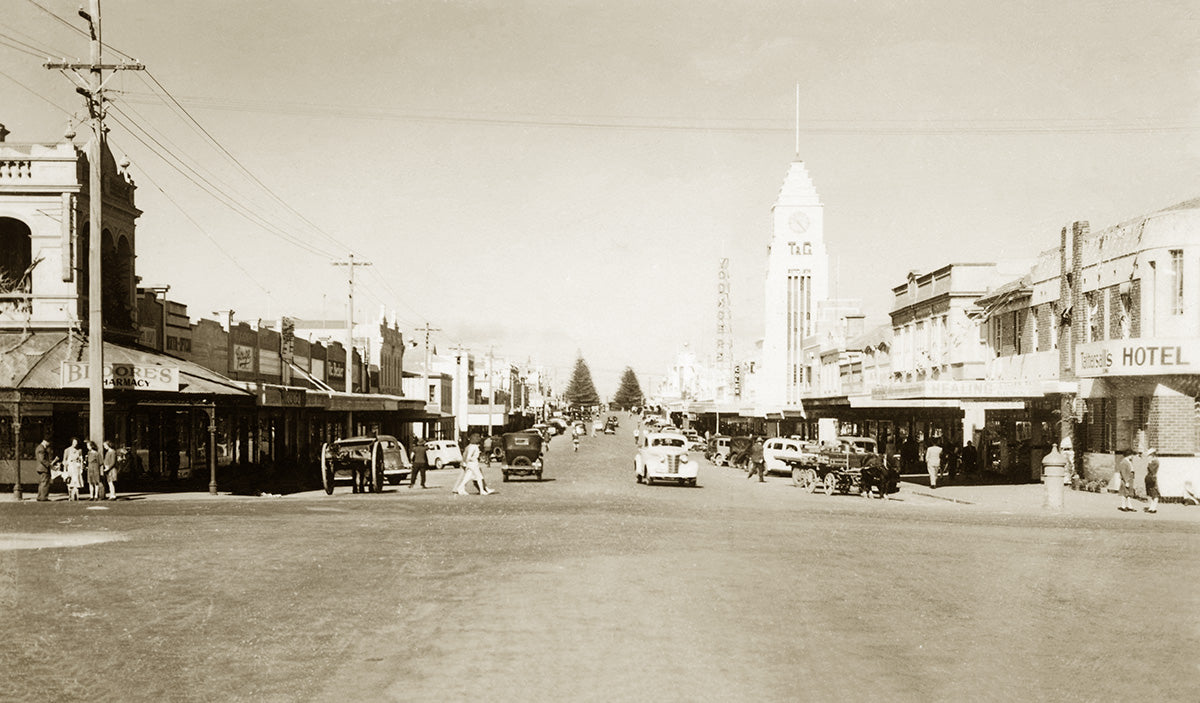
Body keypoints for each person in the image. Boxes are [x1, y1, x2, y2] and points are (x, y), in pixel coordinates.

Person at [63, 437, 84, 501]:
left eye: (76, 442)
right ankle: (70, 495)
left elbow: (81, 460)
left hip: (76, 467)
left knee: (76, 481)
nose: (75, 444)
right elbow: (64, 460)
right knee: (70, 481)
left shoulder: (79, 450)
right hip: (70, 467)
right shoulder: (67, 450)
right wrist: (65, 468)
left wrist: (81, 467)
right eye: (74, 442)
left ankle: (76, 496)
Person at [34, 437, 54, 501]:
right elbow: (42, 459)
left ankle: (40, 496)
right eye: (48, 443)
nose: (49, 444)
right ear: (45, 441)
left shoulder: (40, 447)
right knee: (45, 483)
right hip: (43, 468)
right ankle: (43, 497)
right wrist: (49, 465)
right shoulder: (41, 448)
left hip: (41, 468)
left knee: (42, 483)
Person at [1143, 448, 1160, 514]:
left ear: (1152, 455)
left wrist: (1149, 464)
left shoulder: (1155, 462)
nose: (1148, 457)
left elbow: (1152, 470)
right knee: (1151, 493)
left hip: (1152, 478)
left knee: (1154, 493)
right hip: (1150, 478)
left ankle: (1154, 508)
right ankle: (1151, 507)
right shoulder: (1152, 461)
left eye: (1149, 455)